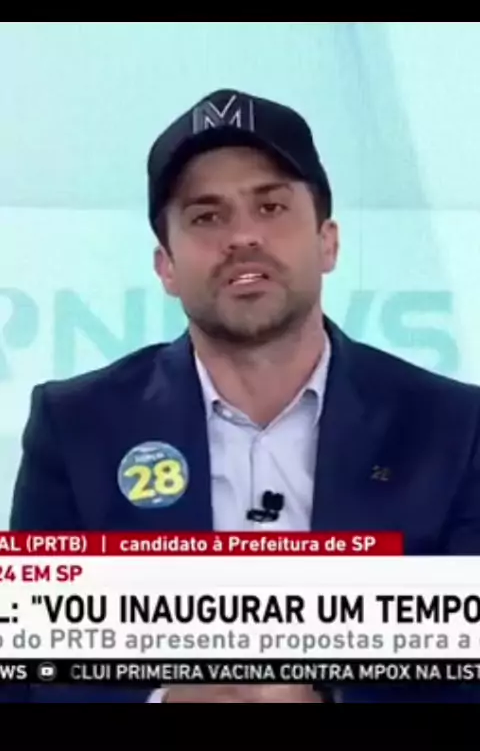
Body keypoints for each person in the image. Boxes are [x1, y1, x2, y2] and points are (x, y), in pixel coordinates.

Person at [5, 88, 480, 704]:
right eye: (207, 217)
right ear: (166, 266)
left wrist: (324, 699)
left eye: (271, 206)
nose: (243, 236)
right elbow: (29, 678)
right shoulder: (76, 427)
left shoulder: (453, 426)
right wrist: (163, 703)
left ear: (328, 242)